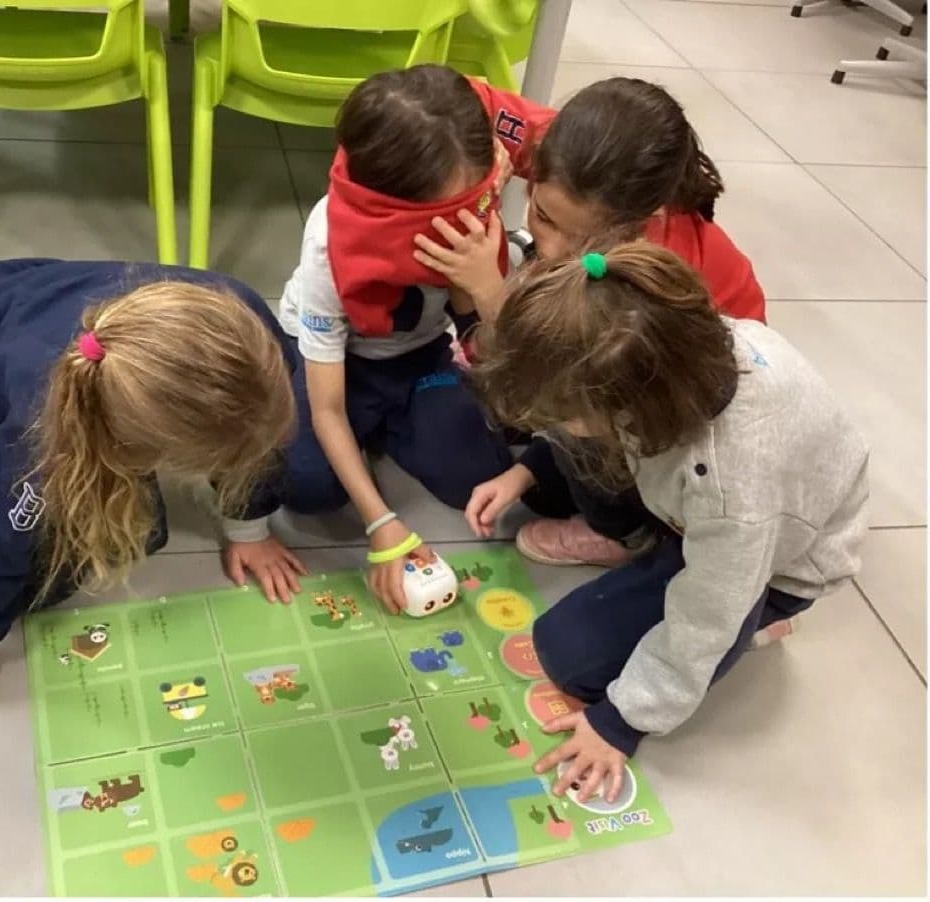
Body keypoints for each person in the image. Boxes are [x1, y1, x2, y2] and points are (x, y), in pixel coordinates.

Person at [470, 243, 868, 801]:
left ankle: (767, 614)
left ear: (629, 409)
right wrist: (530, 470)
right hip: (707, 509)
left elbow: (706, 619)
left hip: (776, 561)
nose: (556, 423)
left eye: (564, 413)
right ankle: (659, 550)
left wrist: (620, 721)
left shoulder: (733, 491)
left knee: (567, 651)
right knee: (578, 452)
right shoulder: (670, 347)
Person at [0, 258, 304, 745]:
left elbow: (253, 431)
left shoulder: (246, 325)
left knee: (134, 521)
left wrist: (249, 527)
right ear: (132, 446)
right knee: (41, 577)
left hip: (18, 304)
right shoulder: (41, 440)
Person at [415, 76, 768, 568]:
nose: (554, 248)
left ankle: (621, 533)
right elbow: (458, 95)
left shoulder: (656, 271)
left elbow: (563, 369)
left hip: (682, 407)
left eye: (583, 239)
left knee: (564, 411)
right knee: (514, 430)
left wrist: (489, 293)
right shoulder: (563, 149)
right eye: (542, 214)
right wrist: (485, 155)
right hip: (617, 345)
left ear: (648, 217)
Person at [278, 64, 553, 612]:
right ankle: (376, 429)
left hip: (419, 352)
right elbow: (328, 408)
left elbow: (509, 352)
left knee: (478, 474)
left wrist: (486, 286)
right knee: (307, 487)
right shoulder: (330, 243)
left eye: (476, 199)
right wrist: (381, 523)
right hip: (337, 363)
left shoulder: (475, 206)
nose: (464, 219)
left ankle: (387, 426)